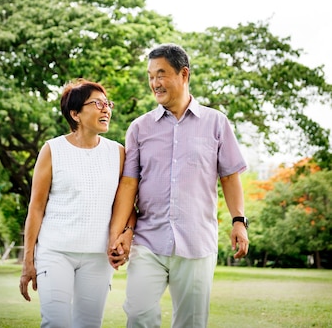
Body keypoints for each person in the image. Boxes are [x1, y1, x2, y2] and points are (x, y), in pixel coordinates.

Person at [108, 43, 249, 328]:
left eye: (161, 74)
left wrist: (239, 221)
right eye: (150, 76)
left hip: (196, 241)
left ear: (184, 74)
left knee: (191, 323)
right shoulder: (139, 128)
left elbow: (230, 176)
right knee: (138, 314)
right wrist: (118, 233)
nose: (155, 83)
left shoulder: (216, 123)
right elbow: (128, 184)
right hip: (149, 239)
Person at [19, 79, 134, 328]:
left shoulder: (118, 152)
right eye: (97, 104)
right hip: (55, 252)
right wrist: (28, 260)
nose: (106, 109)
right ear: (75, 114)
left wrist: (126, 234)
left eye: (108, 104)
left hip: (98, 257)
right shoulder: (52, 150)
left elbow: (126, 203)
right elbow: (35, 209)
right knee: (55, 323)